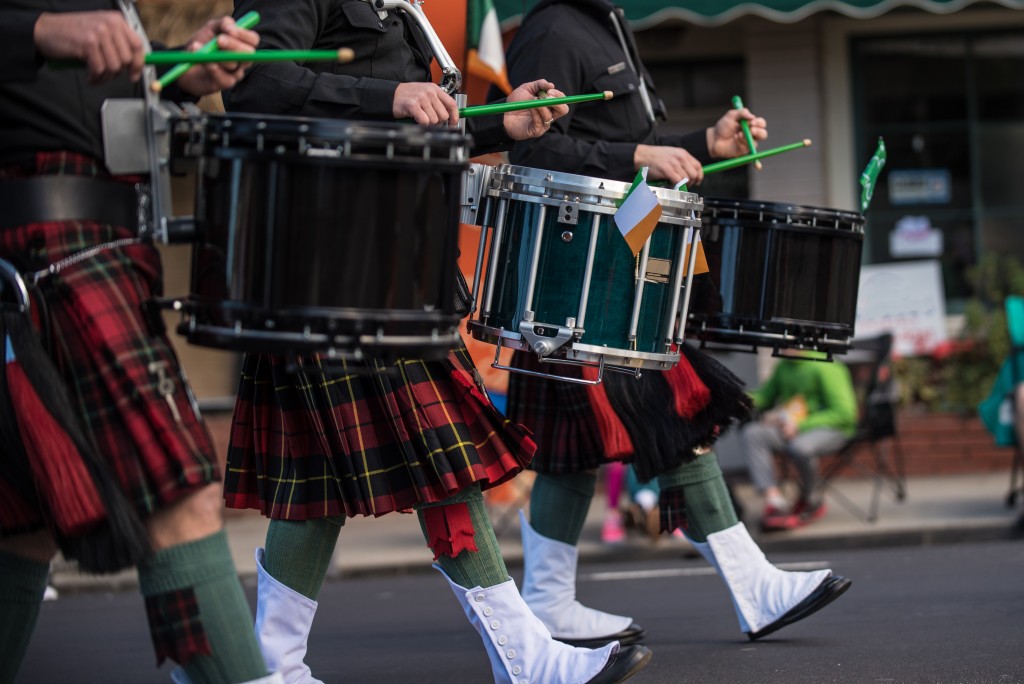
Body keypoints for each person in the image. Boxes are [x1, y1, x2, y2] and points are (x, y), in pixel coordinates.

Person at [220, 1, 651, 682]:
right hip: (328, 261)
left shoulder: (396, 11)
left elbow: (416, 126)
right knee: (446, 458)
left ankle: (273, 665)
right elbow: (252, 85)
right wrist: (388, 93)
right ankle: (527, 658)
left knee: (317, 484)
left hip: (389, 257)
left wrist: (498, 122)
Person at [497, 0, 852, 648]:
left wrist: (698, 146)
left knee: (571, 450)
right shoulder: (551, 29)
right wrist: (638, 153)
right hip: (579, 278)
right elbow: (535, 147)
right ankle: (752, 585)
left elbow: (625, 143)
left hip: (615, 272)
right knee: (671, 414)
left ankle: (548, 599)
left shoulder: (604, 23)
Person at [0, 5, 283, 684]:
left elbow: (89, 89)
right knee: (178, 496)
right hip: (46, 232)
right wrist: (37, 31)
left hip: (93, 227)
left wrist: (183, 69)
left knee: (23, 517)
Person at [742, 354, 858, 530]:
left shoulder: (826, 366)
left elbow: (845, 414)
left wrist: (800, 425)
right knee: (754, 433)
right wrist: (734, 396)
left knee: (801, 447)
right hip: (791, 428)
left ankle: (811, 499)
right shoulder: (784, 366)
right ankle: (775, 501)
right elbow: (765, 397)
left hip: (832, 429)